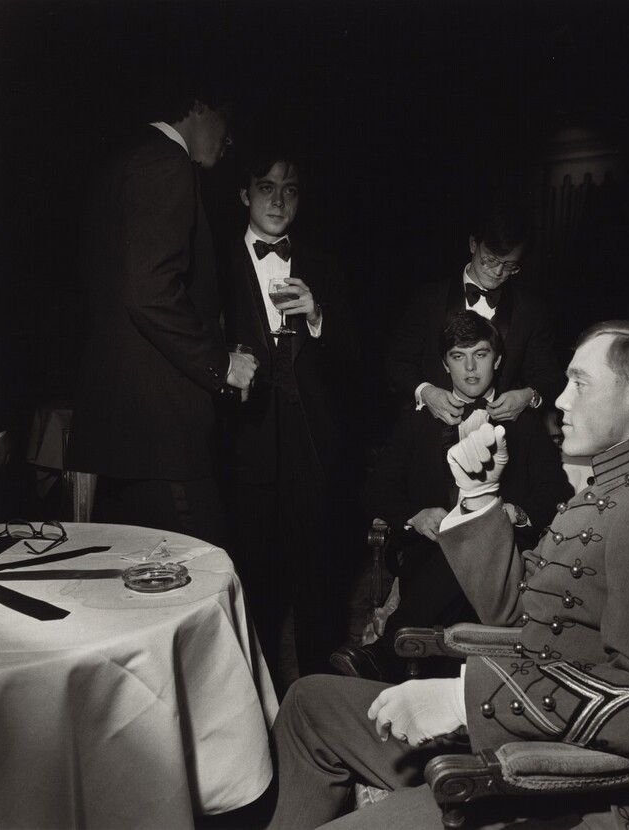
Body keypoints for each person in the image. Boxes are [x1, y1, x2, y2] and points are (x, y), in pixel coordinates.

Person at [273, 319, 629, 829]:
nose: (559, 400)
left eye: (579, 382)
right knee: (308, 702)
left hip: (564, 786)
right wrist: (480, 495)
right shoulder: (614, 488)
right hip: (520, 727)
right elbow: (514, 611)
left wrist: (460, 700)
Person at [331, 311, 571, 682]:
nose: (471, 367)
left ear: (499, 359)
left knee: (473, 543)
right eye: (459, 356)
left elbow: (556, 491)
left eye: (481, 354)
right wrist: (414, 515)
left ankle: (384, 654)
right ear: (445, 364)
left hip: (501, 560)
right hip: (428, 555)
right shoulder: (419, 420)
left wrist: (517, 513)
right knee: (456, 549)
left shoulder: (522, 421)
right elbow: (375, 489)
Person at [68, 77, 256, 546]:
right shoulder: (165, 162)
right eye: (225, 120)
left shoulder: (121, 160)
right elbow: (149, 292)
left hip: (124, 431)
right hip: (161, 433)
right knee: (204, 575)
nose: (229, 138)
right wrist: (224, 363)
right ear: (196, 106)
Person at [220, 151, 359, 683]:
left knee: (319, 593)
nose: (278, 200)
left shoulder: (323, 264)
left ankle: (318, 721)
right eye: (266, 187)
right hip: (243, 447)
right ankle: (257, 718)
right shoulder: (215, 261)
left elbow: (354, 359)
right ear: (243, 194)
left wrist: (319, 317)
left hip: (313, 452)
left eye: (291, 190)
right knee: (253, 591)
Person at [385, 198, 562, 426]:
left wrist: (528, 396)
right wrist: (426, 393)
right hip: (431, 431)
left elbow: (550, 376)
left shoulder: (532, 310)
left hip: (503, 437)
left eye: (510, 266)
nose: (498, 272)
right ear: (472, 244)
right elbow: (397, 363)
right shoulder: (428, 299)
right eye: (490, 259)